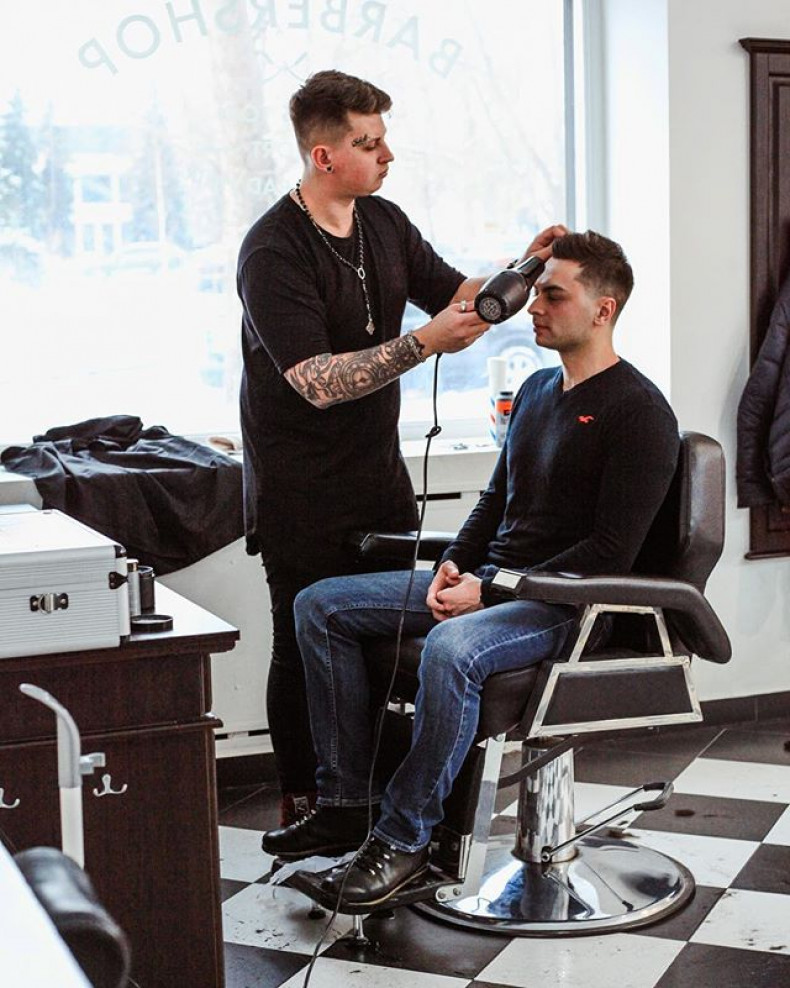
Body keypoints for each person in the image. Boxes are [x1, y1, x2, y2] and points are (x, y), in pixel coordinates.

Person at [260, 230, 681, 907]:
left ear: (603, 309)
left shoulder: (640, 412)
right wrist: (456, 565)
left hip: (566, 604)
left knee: (452, 648)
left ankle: (404, 840)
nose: (533, 307)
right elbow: (493, 502)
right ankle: (346, 803)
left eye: (553, 295)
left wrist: (487, 591)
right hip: (494, 581)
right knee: (320, 605)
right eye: (537, 293)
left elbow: (610, 552)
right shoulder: (538, 388)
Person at [238, 68, 566, 824]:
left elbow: (458, 297)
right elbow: (317, 382)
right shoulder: (273, 250)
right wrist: (422, 343)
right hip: (299, 493)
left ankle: (371, 800)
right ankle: (310, 801)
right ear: (324, 156)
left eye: (383, 139)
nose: (387, 155)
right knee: (302, 646)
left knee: (378, 647)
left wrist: (524, 269)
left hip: (378, 484)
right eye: (369, 143)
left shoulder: (383, 223)